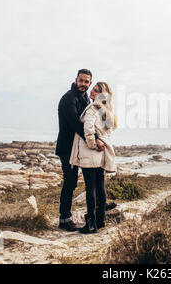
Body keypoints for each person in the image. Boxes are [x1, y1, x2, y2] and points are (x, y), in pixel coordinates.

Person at [55, 69, 107, 232]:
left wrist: (98, 137)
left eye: (86, 82)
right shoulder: (68, 99)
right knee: (70, 183)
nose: (83, 84)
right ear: (76, 80)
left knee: (91, 182)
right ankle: (65, 218)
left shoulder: (85, 98)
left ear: (90, 83)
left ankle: (100, 210)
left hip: (80, 147)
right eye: (81, 81)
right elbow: (77, 124)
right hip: (67, 148)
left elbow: (91, 122)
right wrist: (96, 139)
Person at [70, 82, 117, 234]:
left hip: (91, 152)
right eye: (93, 89)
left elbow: (88, 129)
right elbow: (107, 134)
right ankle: (100, 221)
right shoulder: (107, 111)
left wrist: (92, 144)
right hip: (101, 154)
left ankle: (90, 224)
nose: (92, 92)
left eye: (96, 91)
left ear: (102, 95)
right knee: (100, 186)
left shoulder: (93, 108)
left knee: (91, 188)